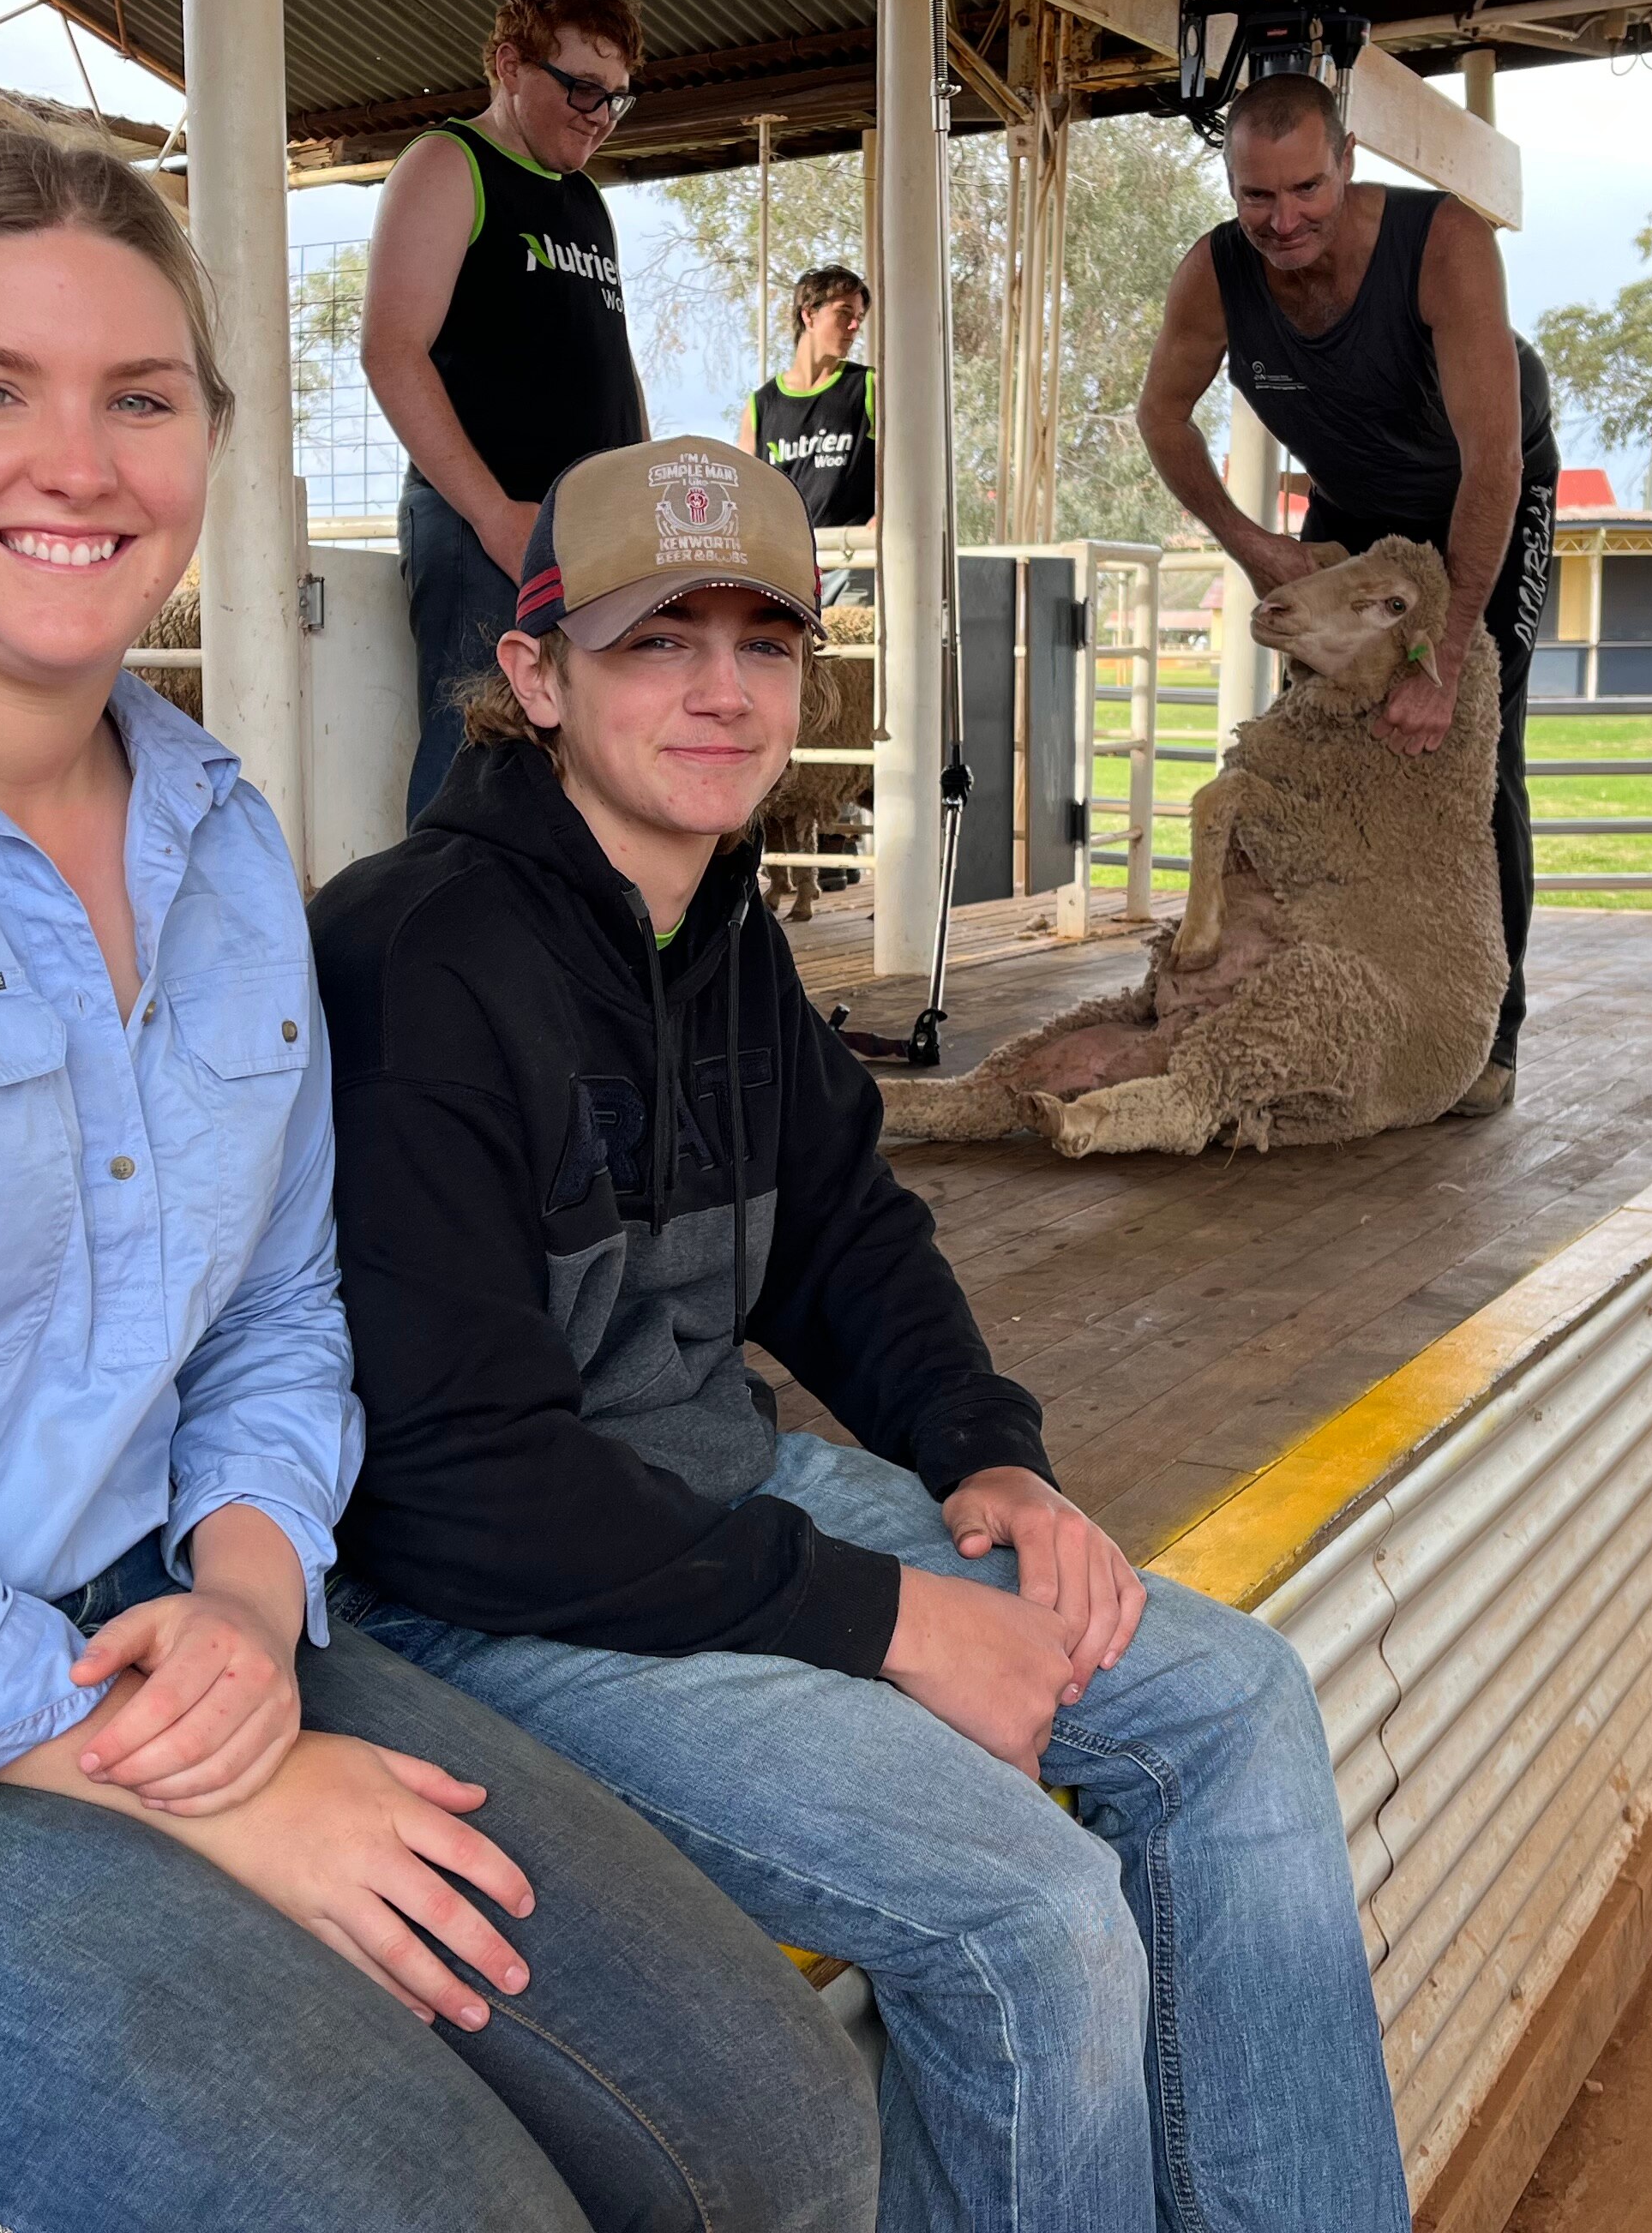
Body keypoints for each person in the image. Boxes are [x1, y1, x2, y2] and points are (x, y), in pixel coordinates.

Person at [0, 131, 876, 2233]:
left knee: (775, 2129)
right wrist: (204, 1773)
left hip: (162, 1634)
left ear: (209, 441)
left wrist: (244, 1593)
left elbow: (281, 1319)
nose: (78, 459)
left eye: (141, 397)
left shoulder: (218, 838)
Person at [303, 434, 1410, 2233]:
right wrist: (893, 1622)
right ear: (534, 674)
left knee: (1231, 1703)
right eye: (658, 642)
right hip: (489, 1608)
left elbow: (848, 1233)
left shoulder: (716, 920)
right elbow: (454, 1489)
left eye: (764, 640)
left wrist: (991, 1458)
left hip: (723, 1513)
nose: (722, 692)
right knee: (1028, 1920)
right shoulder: (416, 960)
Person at [1132, 73, 1557, 1117]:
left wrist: (1442, 659)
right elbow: (1162, 418)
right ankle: (1293, 979)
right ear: (1232, 187)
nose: (1284, 221)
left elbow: (1492, 463)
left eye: (1306, 190)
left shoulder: (1445, 242)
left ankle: (1484, 1037)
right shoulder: (1216, 272)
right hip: (1353, 505)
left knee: (1471, 751)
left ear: (1350, 160)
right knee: (1306, 742)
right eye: (1257, 197)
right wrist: (1250, 544)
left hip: (1484, 492)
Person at [363, 0, 649, 819]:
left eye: (617, 99)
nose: (599, 114)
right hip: (482, 525)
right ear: (509, 65)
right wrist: (494, 515)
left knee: (577, 765)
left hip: (578, 537)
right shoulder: (451, 161)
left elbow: (612, 364)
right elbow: (391, 349)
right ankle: (425, 947)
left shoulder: (587, 202)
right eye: (582, 87)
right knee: (474, 763)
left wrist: (631, 505)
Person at [748, 263, 876, 598]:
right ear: (809, 315)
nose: (853, 326)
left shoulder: (869, 386)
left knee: (848, 651)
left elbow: (910, 464)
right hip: (789, 570)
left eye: (859, 318)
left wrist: (887, 512)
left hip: (855, 564)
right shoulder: (762, 404)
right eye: (844, 312)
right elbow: (746, 496)